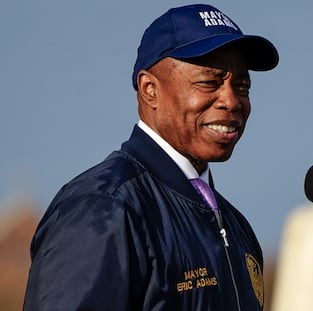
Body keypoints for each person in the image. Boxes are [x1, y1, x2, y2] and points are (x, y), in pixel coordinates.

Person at [23, 4, 279, 310]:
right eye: (209, 82)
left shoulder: (237, 227)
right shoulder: (105, 208)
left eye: (242, 85)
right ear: (150, 90)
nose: (231, 100)